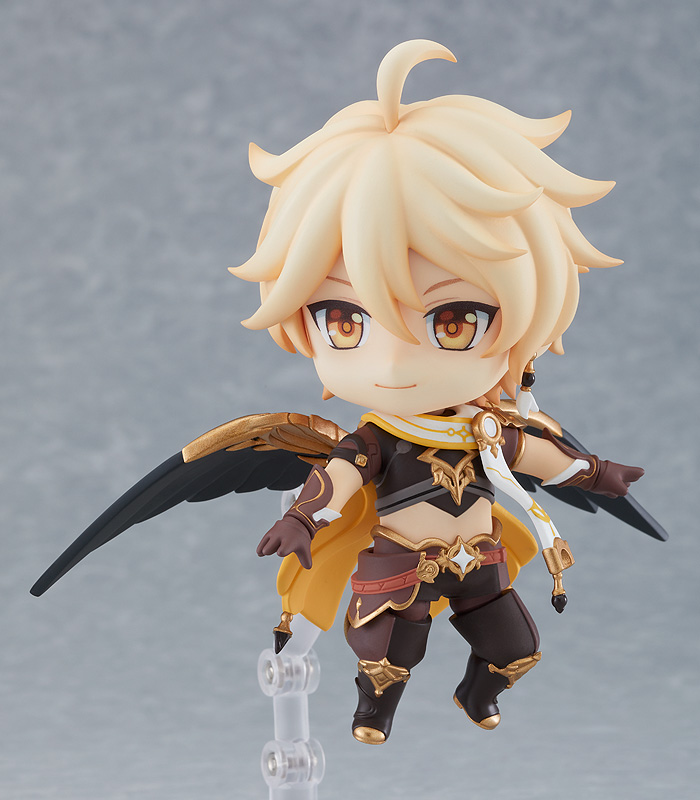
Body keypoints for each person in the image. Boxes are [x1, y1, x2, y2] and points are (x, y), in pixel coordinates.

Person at [233, 40, 644, 744]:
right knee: (390, 658)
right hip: (400, 564)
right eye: (346, 320)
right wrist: (303, 519)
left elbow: (542, 459)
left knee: (517, 649)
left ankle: (478, 690)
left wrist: (597, 473)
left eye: (454, 321)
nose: (394, 361)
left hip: (480, 561)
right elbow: (337, 477)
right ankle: (374, 709)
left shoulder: (490, 430)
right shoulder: (379, 438)